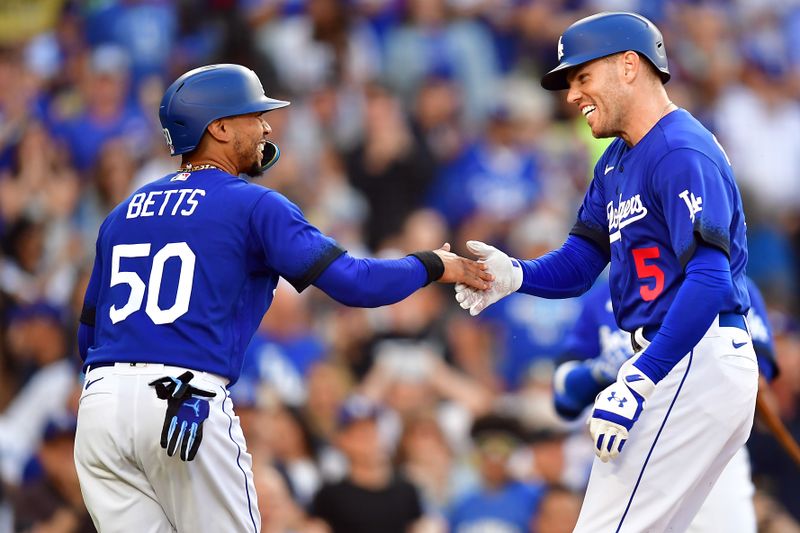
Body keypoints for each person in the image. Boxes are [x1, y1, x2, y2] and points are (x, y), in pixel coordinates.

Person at [74, 63, 492, 533]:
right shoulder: (254, 203)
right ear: (220, 127)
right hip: (183, 400)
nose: (268, 126)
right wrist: (435, 264)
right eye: (254, 114)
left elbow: (87, 334)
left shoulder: (122, 212)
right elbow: (355, 283)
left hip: (100, 406)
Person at [455, 12, 757, 531]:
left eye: (581, 77)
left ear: (628, 66)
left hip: (688, 357)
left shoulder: (680, 148)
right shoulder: (616, 160)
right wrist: (516, 275)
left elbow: (710, 279)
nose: (571, 95)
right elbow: (580, 260)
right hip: (681, 362)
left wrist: (641, 378)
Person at [553, 276, 779, 533]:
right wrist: (601, 369)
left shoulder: (727, 279)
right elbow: (563, 397)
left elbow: (759, 381)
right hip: (629, 442)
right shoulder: (601, 298)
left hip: (707, 441)